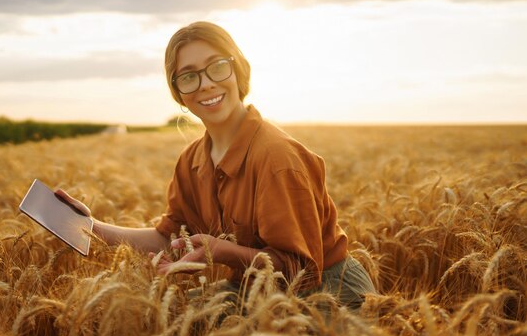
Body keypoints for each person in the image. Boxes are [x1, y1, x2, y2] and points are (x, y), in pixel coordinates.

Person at [56, 21, 376, 310]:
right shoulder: (191, 161)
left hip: (329, 295)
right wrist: (90, 227)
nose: (206, 84)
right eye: (189, 76)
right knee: (163, 318)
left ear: (239, 70)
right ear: (179, 92)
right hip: (253, 291)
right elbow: (168, 237)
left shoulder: (277, 158)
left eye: (217, 67)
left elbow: (301, 272)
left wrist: (220, 252)